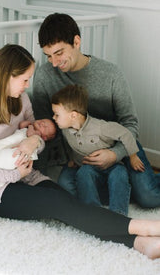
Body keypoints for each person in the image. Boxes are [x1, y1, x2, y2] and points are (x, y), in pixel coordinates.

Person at [0, 43, 160, 260]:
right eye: (24, 79)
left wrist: (33, 142)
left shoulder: (21, 100)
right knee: (57, 204)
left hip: (26, 176)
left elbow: (40, 139)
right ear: (6, 75)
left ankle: (139, 242)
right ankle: (145, 228)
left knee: (70, 202)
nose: (27, 86)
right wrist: (13, 175)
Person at [32, 12, 160, 208]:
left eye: (59, 53)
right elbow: (45, 128)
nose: (54, 63)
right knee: (66, 188)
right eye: (48, 56)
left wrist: (115, 155)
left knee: (149, 197)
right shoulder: (44, 76)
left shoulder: (110, 74)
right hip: (81, 153)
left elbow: (130, 123)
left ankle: (130, 182)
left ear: (76, 42)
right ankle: (122, 184)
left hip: (117, 144)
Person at [51, 84, 144, 215]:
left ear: (73, 115)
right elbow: (69, 145)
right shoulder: (65, 130)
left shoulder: (100, 127)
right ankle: (93, 212)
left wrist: (133, 156)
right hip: (88, 167)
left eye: (56, 114)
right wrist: (72, 159)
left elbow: (126, 133)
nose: (53, 118)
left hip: (113, 165)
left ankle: (118, 215)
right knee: (83, 174)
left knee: (119, 175)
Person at [0, 118, 56, 217]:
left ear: (44, 137)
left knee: (16, 157)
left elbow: (31, 136)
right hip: (3, 149)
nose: (43, 123)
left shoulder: (35, 134)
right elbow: (21, 126)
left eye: (46, 127)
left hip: (17, 154)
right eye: (43, 121)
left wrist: (31, 129)